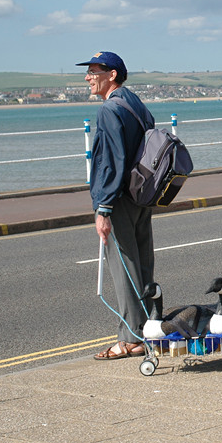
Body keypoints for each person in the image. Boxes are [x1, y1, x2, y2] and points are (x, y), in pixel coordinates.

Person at [76, 51, 156, 360]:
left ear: (112, 74)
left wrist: (104, 208)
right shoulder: (134, 102)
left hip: (120, 199)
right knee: (143, 265)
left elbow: (110, 161)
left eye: (94, 71)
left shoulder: (109, 110)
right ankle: (149, 327)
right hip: (141, 195)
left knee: (124, 268)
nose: (88, 77)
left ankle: (130, 339)